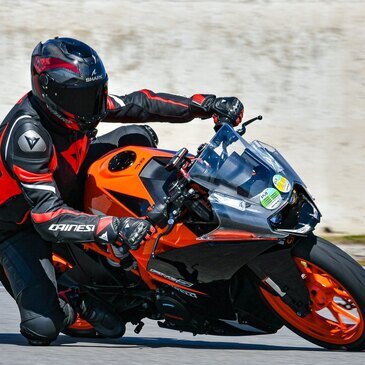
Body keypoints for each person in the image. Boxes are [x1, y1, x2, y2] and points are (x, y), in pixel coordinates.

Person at [0, 37, 244, 345]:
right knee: (43, 327)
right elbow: (47, 217)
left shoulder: (82, 104)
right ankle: (73, 298)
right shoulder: (28, 137)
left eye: (95, 92)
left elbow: (140, 104)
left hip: (70, 177)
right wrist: (114, 226)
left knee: (138, 136)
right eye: (81, 98)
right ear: (49, 91)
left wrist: (204, 104)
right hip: (18, 224)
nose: (92, 105)